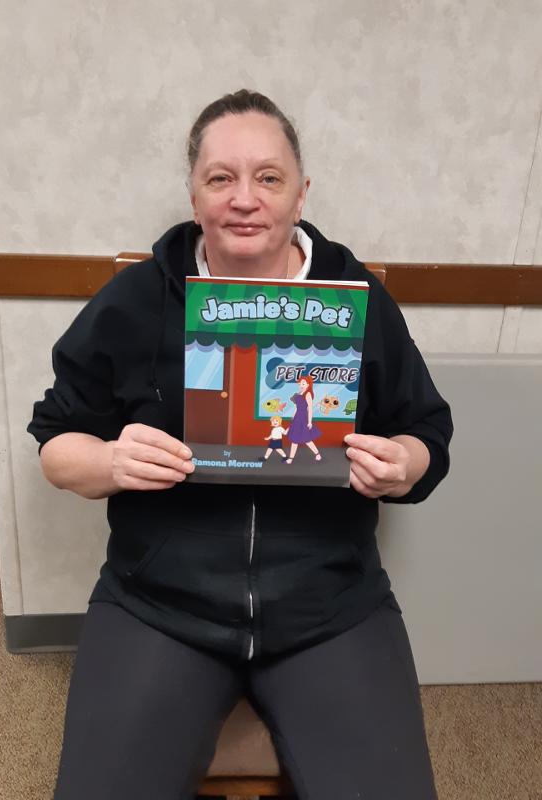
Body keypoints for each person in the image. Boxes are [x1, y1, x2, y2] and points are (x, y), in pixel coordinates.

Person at [28, 89, 453, 800]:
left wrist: (403, 464)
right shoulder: (135, 302)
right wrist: (106, 462)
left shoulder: (357, 301)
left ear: (301, 193)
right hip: (159, 605)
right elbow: (52, 443)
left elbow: (429, 434)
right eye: (220, 178)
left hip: (330, 606)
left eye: (269, 177)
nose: (244, 199)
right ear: (194, 196)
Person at [285, 375, 322, 463]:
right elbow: (297, 407)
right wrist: (293, 416)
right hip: (297, 417)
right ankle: (291, 458)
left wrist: (309, 422)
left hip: (303, 418)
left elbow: (310, 409)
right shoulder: (299, 393)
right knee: (295, 439)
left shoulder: (308, 394)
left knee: (307, 439)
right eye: (300, 383)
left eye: (303, 383)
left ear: (308, 384)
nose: (301, 385)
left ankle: (317, 454)